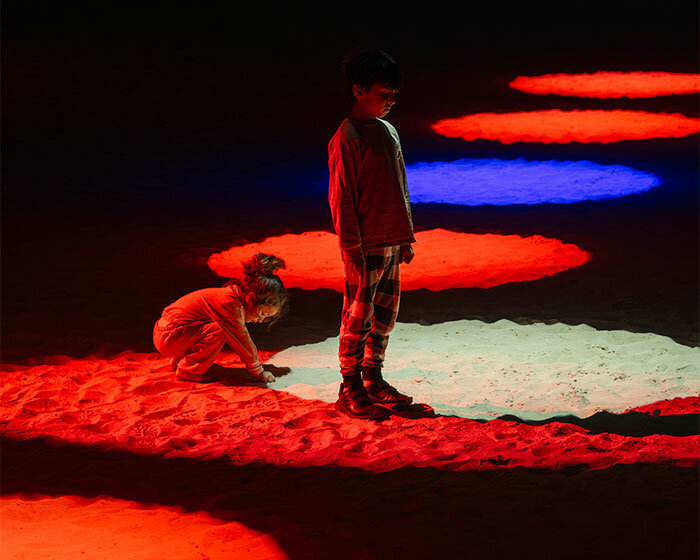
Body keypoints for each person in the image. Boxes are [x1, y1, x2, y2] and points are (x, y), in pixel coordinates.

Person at [328, 48, 416, 420]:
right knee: (358, 318)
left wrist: (407, 235)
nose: (391, 100)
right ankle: (350, 387)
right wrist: (352, 247)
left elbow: (401, 186)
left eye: (394, 94)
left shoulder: (388, 132)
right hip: (366, 246)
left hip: (393, 241)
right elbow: (342, 199)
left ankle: (373, 376)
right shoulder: (347, 138)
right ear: (359, 89)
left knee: (384, 316)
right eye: (385, 93)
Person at [153, 253, 288, 383]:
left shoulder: (230, 295)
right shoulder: (230, 304)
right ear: (251, 298)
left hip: (166, 332)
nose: (260, 321)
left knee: (210, 326)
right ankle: (189, 371)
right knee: (218, 330)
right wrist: (258, 371)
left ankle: (179, 361)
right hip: (170, 337)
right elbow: (242, 340)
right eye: (262, 314)